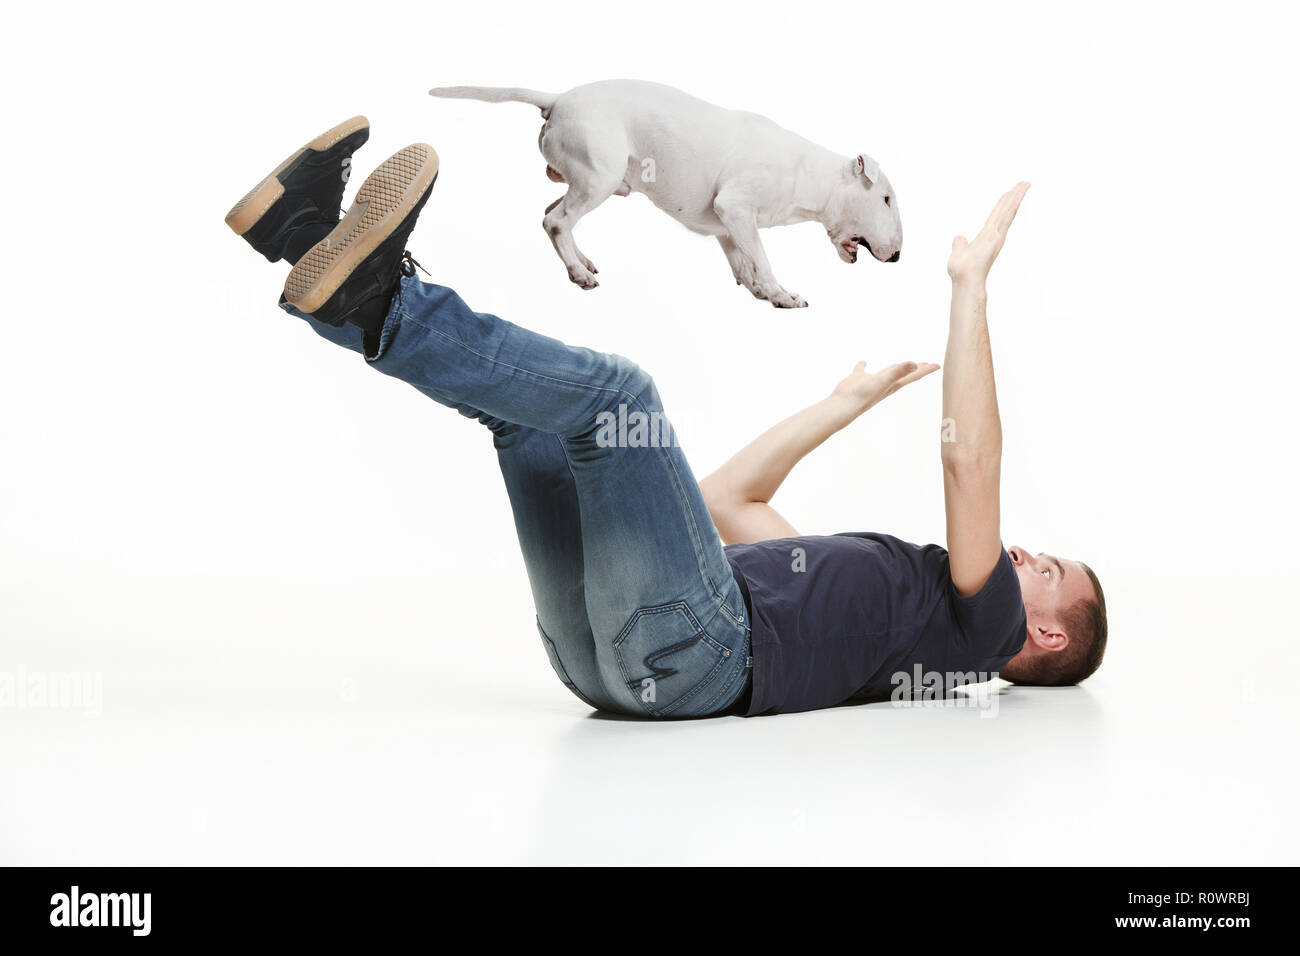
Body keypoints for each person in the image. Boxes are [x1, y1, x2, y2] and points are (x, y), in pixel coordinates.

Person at [226, 119, 1107, 718]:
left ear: (1047, 631)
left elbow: (971, 465)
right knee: (535, 423)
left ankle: (386, 299)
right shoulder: (888, 618)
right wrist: (840, 408)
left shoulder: (981, 631)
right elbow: (728, 499)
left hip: (698, 653)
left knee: (619, 403)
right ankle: (312, 246)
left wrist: (969, 290)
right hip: (616, 662)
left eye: (1047, 568)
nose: (1023, 552)